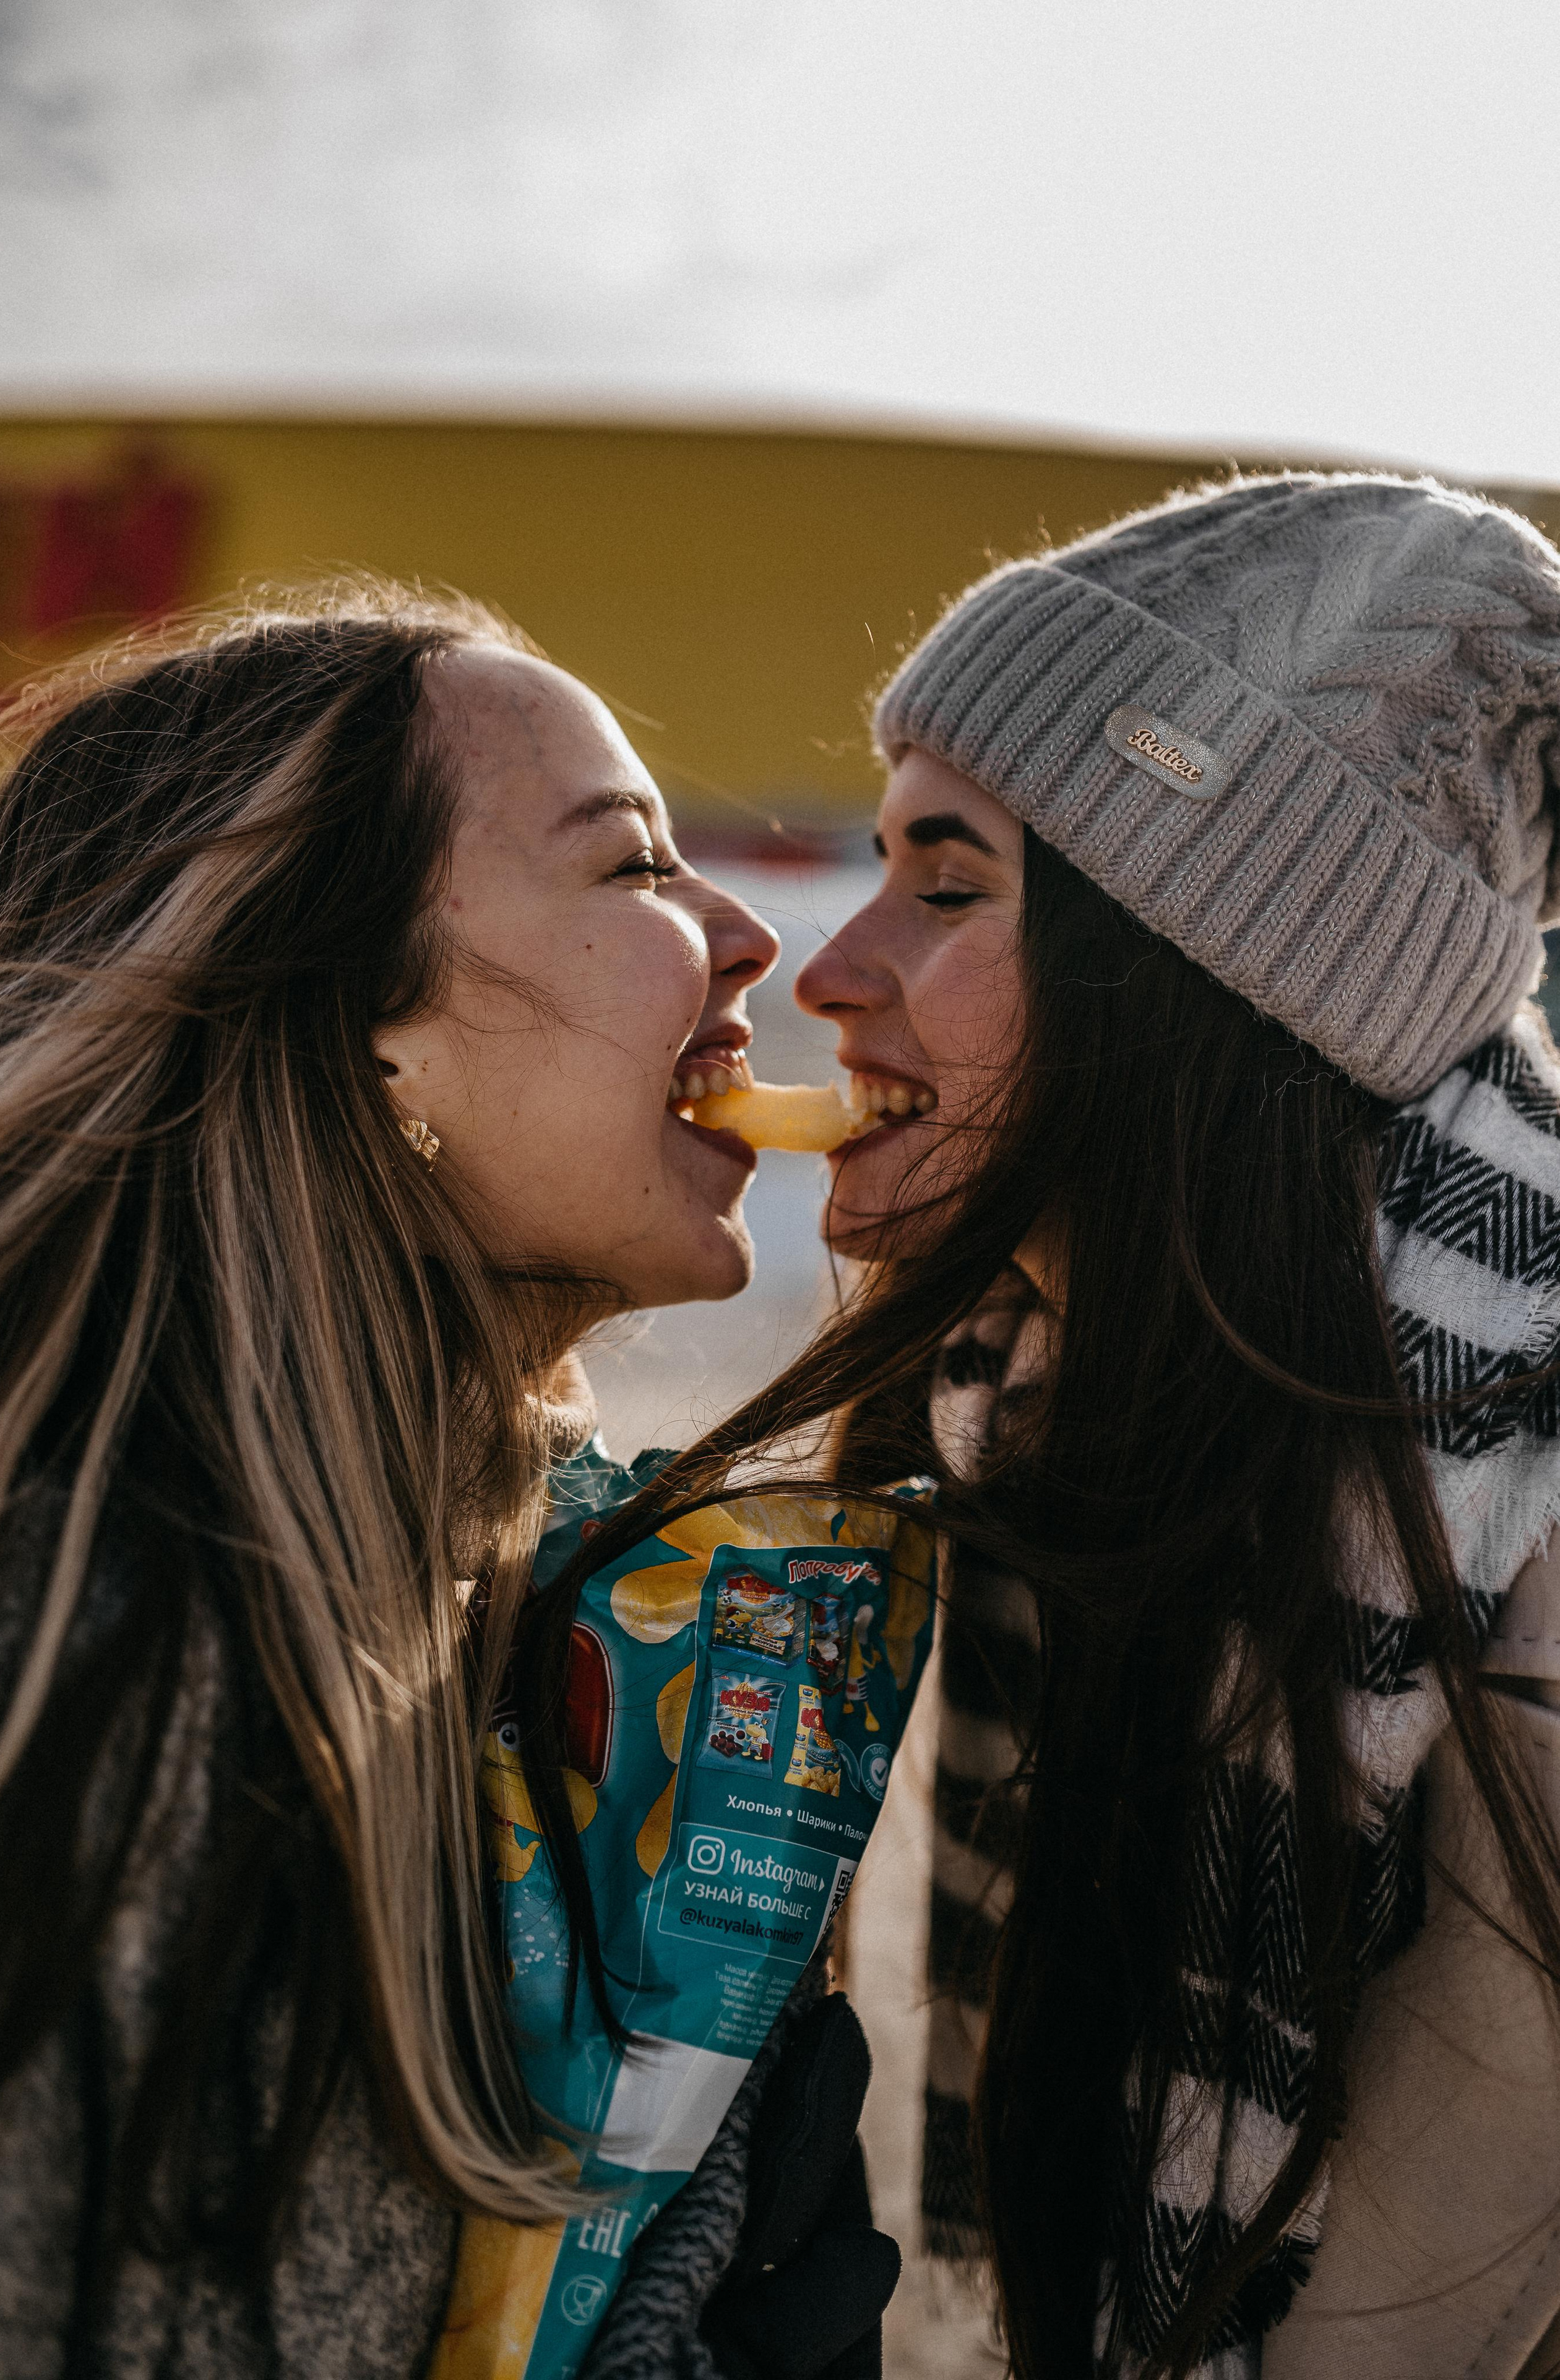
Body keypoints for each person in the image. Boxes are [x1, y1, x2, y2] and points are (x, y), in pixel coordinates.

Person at [665, 475, 1560, 2378]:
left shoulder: (1517, 1555)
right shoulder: (1071, 1422)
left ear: (1201, 982)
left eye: (950, 882)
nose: (827, 974)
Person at [0, 585, 890, 2378]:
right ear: (361, 1025)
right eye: (632, 868)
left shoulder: (575, 1636)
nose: (746, 936)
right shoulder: (70, 1662)